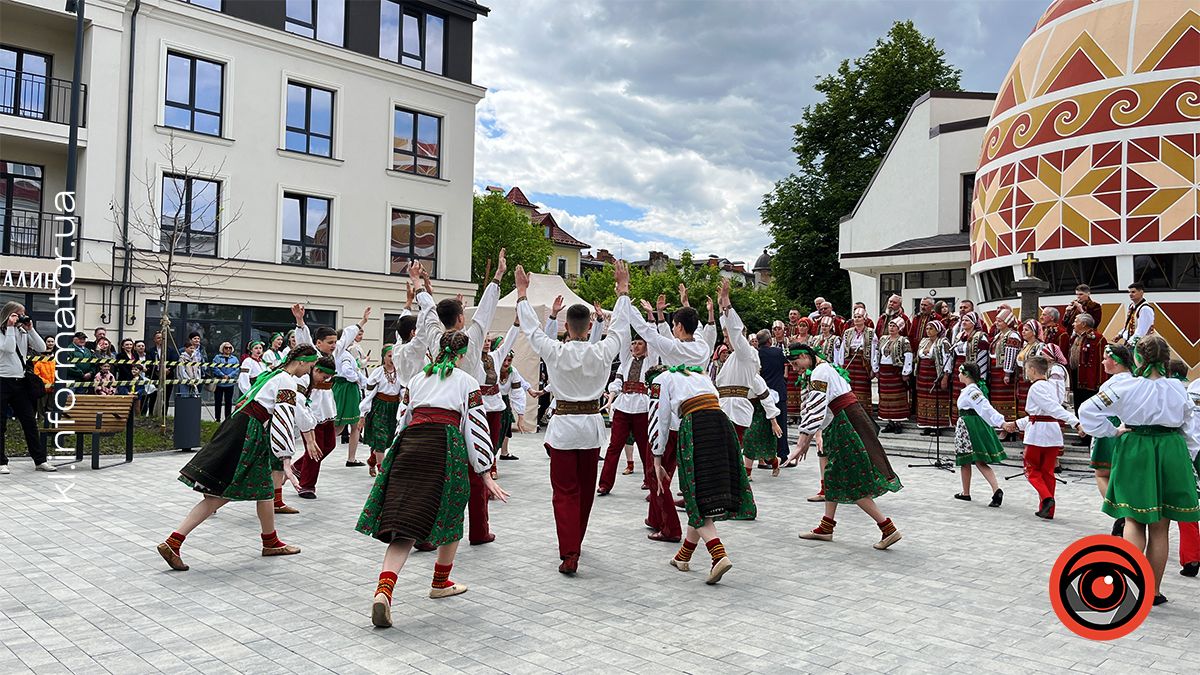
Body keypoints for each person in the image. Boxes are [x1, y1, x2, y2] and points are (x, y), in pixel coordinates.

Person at [356, 331, 509, 627]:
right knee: (451, 510)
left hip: (410, 444)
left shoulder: (417, 379)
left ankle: (384, 591)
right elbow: (476, 427)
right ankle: (440, 581)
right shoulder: (466, 382)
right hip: (444, 444)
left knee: (404, 522)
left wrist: (392, 454)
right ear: (462, 355)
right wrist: (485, 471)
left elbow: (404, 418)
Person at [157, 345, 322, 571]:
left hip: (240, 427)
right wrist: (286, 458)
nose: (309, 371)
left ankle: (270, 542)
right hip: (249, 434)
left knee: (263, 488)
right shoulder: (287, 381)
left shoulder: (273, 374)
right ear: (302, 361)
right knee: (221, 494)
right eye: (311, 366)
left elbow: (294, 413)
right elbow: (285, 418)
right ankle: (173, 541)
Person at [516, 261, 631, 574]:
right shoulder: (602, 351)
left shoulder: (555, 350)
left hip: (565, 427)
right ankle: (575, 543)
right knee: (584, 490)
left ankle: (570, 551)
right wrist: (622, 292)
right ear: (590, 328)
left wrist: (523, 294)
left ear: (567, 326)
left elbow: (531, 330)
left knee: (565, 492)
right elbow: (620, 329)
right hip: (591, 427)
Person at [1079, 336, 1199, 606]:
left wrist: (1112, 431)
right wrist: (1186, 459)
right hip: (1171, 449)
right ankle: (1153, 592)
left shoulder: (1126, 387)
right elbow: (1190, 430)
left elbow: (1087, 410)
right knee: (1160, 527)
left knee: (1133, 521)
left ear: (1137, 359)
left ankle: (1131, 589)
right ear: (1166, 360)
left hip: (1135, 448)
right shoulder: (1180, 389)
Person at [415, 253, 505, 543]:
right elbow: (487, 311)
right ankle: (479, 531)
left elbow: (428, 312)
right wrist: (497, 277)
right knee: (476, 475)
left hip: (437, 412)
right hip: (469, 407)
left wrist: (419, 285)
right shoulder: (472, 338)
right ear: (461, 317)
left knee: (435, 478)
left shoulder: (433, 337)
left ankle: (428, 533)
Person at [786, 343, 903, 549]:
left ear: (805, 356)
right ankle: (826, 527)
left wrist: (802, 442)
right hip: (847, 420)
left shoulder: (820, 372)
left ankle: (888, 528)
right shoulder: (826, 368)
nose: (796, 369)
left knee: (852, 481)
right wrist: (817, 435)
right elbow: (825, 409)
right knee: (833, 475)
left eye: (796, 364)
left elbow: (816, 407)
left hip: (846, 424)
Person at [649, 363, 753, 585]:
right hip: (722, 424)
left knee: (694, 492)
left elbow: (660, 418)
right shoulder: (699, 374)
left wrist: (657, 457)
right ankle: (683, 556)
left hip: (696, 427)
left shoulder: (663, 378)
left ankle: (718, 555)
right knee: (701, 494)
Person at [628, 284, 712, 545]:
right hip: (699, 417)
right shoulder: (701, 347)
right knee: (671, 471)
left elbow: (649, 335)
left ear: (678, 327)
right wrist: (669, 313)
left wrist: (625, 303)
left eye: (675, 325)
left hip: (675, 420)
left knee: (659, 472)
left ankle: (670, 528)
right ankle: (655, 517)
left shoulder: (677, 350)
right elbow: (673, 337)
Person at [291, 304, 372, 497]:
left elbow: (348, 336)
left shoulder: (335, 354)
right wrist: (300, 321)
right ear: (318, 343)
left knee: (329, 445)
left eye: (335, 341)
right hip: (313, 407)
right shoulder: (313, 355)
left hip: (328, 405)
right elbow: (304, 339)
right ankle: (307, 485)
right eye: (329, 342)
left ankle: (297, 467)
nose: (334, 345)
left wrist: (362, 321)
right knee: (316, 448)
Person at [714, 279, 782, 481]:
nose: (726, 338)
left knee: (730, 452)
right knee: (722, 452)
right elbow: (729, 331)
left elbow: (734, 332)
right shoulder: (732, 358)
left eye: (729, 335)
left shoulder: (747, 354)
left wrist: (727, 304)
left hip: (737, 409)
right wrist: (719, 309)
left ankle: (734, 489)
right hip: (724, 407)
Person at [1004, 355, 1081, 520]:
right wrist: (1016, 424)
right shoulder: (1050, 387)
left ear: (1032, 370)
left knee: (1031, 468)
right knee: (1047, 472)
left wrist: (1074, 422)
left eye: (1026, 370)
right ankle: (1047, 510)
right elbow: (1039, 414)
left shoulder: (1036, 388)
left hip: (1038, 434)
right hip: (1051, 432)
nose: (1026, 373)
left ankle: (1046, 499)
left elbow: (1051, 409)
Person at [598, 329, 655, 496]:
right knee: (614, 446)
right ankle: (605, 484)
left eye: (639, 343)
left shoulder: (651, 361)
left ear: (646, 347)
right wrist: (611, 398)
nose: (635, 346)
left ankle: (649, 481)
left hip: (642, 407)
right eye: (633, 343)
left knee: (646, 446)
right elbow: (617, 381)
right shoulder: (625, 362)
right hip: (623, 406)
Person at [0, 302, 55, 473]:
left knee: (30, 422)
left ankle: (40, 460)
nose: (21, 317)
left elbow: (42, 348)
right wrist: (9, 327)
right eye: (17, 314)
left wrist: (30, 329)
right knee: (1, 424)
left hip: (21, 382)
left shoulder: (23, 331)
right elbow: (8, 349)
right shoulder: (2, 332)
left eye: (22, 314)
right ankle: (1, 462)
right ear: (9, 314)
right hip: (2, 381)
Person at [952, 363, 1007, 506]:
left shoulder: (972, 391)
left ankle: (972, 492)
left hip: (969, 427)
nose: (958, 375)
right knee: (976, 461)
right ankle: (983, 490)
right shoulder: (971, 390)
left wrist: (1001, 422)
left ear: (967, 375)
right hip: (970, 425)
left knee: (969, 460)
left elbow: (985, 407)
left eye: (960, 372)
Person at [361, 344, 404, 470]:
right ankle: (382, 469)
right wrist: (363, 413)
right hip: (379, 406)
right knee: (380, 437)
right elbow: (369, 394)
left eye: (394, 356)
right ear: (383, 357)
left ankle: (373, 458)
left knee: (389, 438)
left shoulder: (400, 372)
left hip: (394, 407)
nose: (392, 359)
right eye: (389, 356)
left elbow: (402, 390)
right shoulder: (378, 373)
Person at [1066, 314, 1107, 445]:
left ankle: (1090, 437)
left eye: (1076, 321)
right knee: (1078, 407)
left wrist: (1100, 383)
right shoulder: (1076, 337)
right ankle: (1083, 435)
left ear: (1083, 324)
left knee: (1088, 409)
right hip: (1077, 378)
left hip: (1090, 382)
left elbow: (1101, 362)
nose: (1073, 324)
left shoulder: (1098, 339)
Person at [1175, 359, 1200, 578]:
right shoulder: (1190, 388)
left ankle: (1192, 557)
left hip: (1188, 454)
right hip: (1191, 451)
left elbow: (1189, 431)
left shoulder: (1185, 391)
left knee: (1186, 507)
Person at [756, 329, 790, 469]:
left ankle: (763, 456)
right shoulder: (777, 352)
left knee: (763, 425)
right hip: (778, 390)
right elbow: (787, 359)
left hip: (762, 391)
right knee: (780, 423)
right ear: (770, 340)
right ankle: (782, 455)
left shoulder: (756, 354)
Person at [873, 317, 913, 433]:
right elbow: (876, 353)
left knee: (897, 397)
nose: (891, 328)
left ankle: (898, 423)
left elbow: (908, 356)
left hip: (895, 371)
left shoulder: (903, 340)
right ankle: (889, 422)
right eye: (890, 326)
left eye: (894, 326)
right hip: (884, 371)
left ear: (899, 328)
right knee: (885, 397)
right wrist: (876, 368)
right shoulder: (883, 339)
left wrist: (906, 371)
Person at [988, 309, 1022, 440]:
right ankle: (1002, 426)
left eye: (1000, 321)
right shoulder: (999, 335)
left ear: (1007, 322)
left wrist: (1007, 372)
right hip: (996, 371)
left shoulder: (1012, 336)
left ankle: (1009, 429)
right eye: (996, 320)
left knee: (1007, 399)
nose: (997, 323)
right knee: (997, 400)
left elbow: (1011, 355)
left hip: (1004, 372)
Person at [914, 320, 952, 435]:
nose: (928, 331)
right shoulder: (924, 341)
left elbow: (947, 360)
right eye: (927, 329)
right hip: (923, 374)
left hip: (935, 374)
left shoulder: (943, 342)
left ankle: (937, 426)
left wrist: (945, 376)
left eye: (931, 329)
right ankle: (926, 424)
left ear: (938, 330)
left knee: (936, 399)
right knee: (924, 399)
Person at [839, 309, 876, 413]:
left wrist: (874, 367)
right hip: (849, 362)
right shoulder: (847, 332)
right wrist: (841, 366)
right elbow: (843, 349)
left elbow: (874, 350)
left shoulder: (871, 332)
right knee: (848, 387)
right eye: (855, 317)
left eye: (859, 317)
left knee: (862, 388)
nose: (857, 319)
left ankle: (863, 414)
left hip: (862, 363)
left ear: (865, 319)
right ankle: (849, 412)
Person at [211, 342, 240, 423]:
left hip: (230, 384)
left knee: (228, 402)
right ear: (222, 349)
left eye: (230, 348)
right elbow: (215, 367)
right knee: (218, 401)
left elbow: (237, 369)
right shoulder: (217, 357)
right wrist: (222, 375)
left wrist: (229, 376)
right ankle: (217, 419)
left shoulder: (234, 359)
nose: (228, 349)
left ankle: (227, 419)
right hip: (219, 383)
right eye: (226, 348)